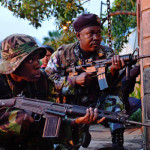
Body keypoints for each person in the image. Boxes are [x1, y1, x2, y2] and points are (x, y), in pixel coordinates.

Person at [0, 34, 102, 150]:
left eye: (37, 58)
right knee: (20, 119)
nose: (37, 64)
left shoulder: (42, 81)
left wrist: (76, 122)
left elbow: (48, 123)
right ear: (14, 66)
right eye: (30, 60)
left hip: (33, 141)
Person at [45, 13, 126, 149]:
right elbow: (48, 81)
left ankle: (117, 141)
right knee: (67, 146)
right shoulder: (62, 54)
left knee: (115, 101)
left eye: (99, 33)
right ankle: (81, 133)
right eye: (91, 33)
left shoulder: (107, 53)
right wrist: (74, 80)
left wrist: (113, 72)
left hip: (97, 101)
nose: (96, 38)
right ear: (78, 36)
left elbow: (113, 87)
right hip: (71, 105)